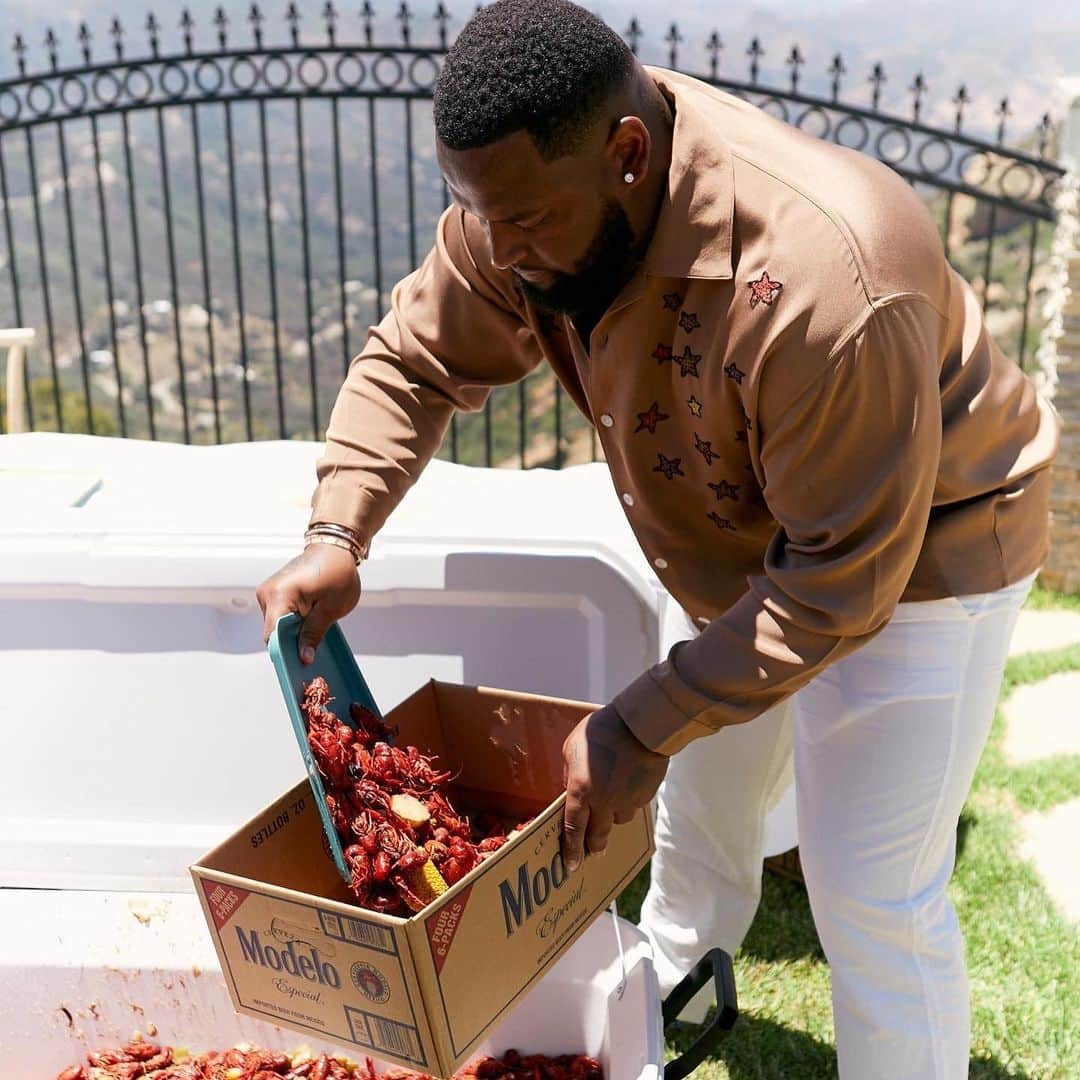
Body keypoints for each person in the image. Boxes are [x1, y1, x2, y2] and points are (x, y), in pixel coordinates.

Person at [256, 1, 1059, 1075]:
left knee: (870, 885)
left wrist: (642, 722)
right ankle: (672, 1009)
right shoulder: (533, 198)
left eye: (526, 223)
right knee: (704, 811)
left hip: (922, 554)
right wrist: (336, 529)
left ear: (627, 155)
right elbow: (413, 360)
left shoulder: (829, 283)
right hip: (745, 541)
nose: (500, 252)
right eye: (476, 214)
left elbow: (836, 583)